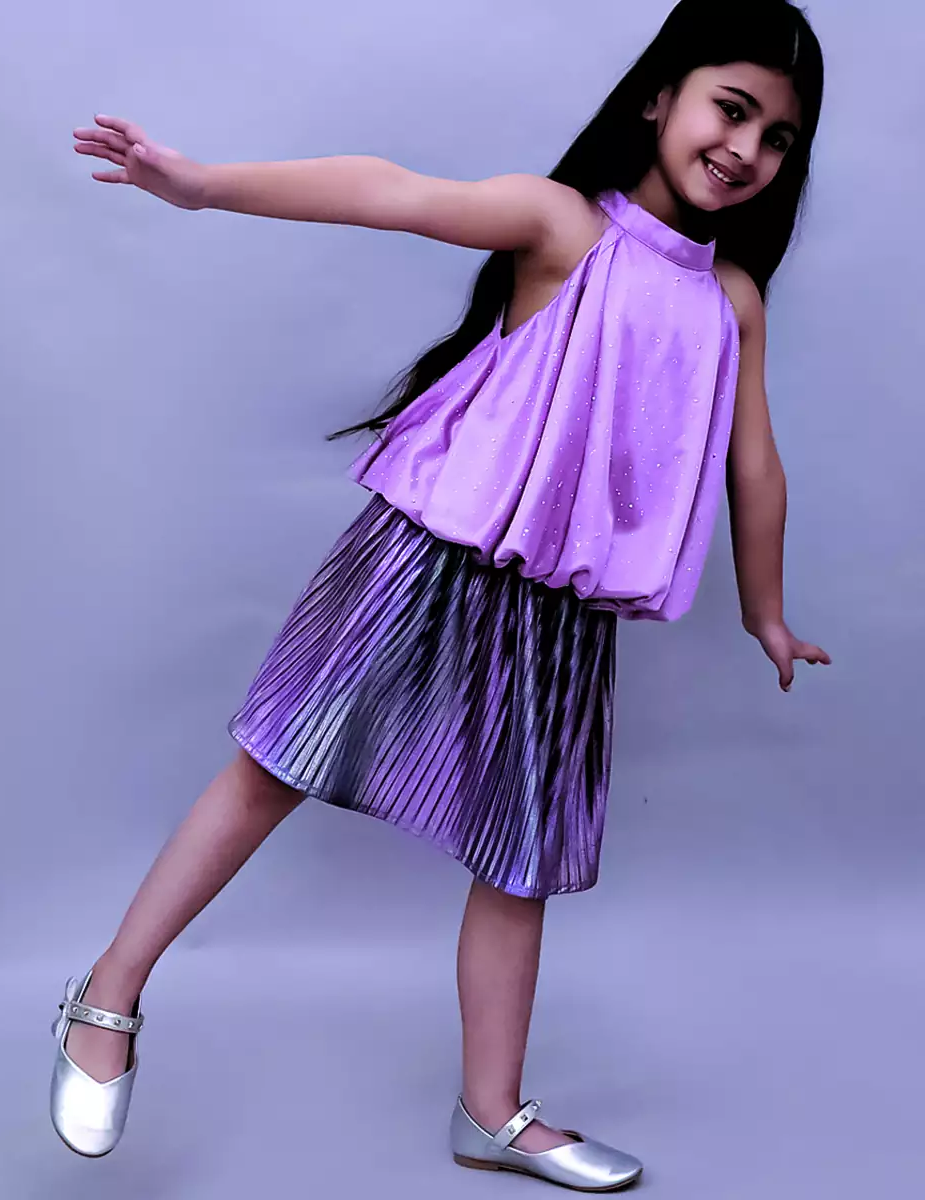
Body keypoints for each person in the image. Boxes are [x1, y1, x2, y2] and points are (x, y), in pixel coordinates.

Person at [53, 0, 831, 1188]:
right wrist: (199, 186)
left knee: (520, 856)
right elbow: (392, 191)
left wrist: (762, 611)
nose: (746, 149)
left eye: (777, 137)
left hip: (561, 613)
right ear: (658, 98)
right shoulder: (563, 223)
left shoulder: (731, 301)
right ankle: (106, 996)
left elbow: (753, 463)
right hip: (425, 552)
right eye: (731, 109)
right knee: (273, 767)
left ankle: (492, 1112)